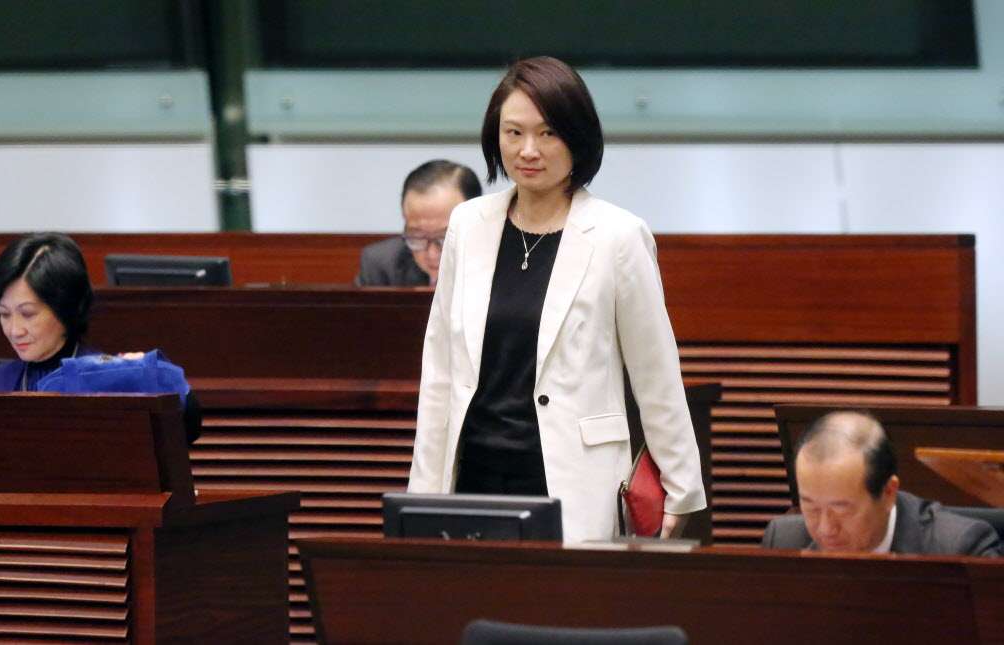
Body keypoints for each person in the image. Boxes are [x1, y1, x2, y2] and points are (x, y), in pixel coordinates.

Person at [407, 57, 706, 543]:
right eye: (513, 132)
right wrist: (423, 491)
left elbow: (656, 372)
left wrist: (681, 485)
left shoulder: (618, 236)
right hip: (474, 475)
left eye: (548, 133)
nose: (529, 150)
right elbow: (440, 368)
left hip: (571, 475)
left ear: (577, 138)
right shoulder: (468, 224)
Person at [0, 233, 201, 444]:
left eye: (28, 314)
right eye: (4, 314)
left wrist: (148, 375)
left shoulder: (106, 377)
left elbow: (188, 425)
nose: (14, 330)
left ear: (65, 309)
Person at [761, 410, 1001, 556]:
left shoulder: (959, 548)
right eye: (811, 508)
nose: (825, 529)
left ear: (888, 493)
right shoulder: (784, 542)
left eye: (842, 509)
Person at [355, 159, 482, 287]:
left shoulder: (497, 265)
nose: (432, 255)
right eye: (418, 236)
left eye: (445, 237)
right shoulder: (381, 265)